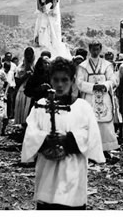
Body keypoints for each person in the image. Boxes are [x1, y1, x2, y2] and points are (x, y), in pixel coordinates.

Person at [21, 57, 105, 209]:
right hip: (47, 172)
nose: (60, 85)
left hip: (73, 174)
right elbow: (30, 135)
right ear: (50, 79)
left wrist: (67, 139)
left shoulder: (83, 108)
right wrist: (46, 140)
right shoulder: (40, 107)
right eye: (56, 79)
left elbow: (91, 138)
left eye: (64, 80)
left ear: (73, 80)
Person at [76, 41, 119, 158]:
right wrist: (93, 87)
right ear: (89, 49)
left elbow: (113, 80)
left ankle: (105, 149)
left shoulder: (107, 65)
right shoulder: (83, 66)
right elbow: (79, 83)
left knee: (104, 124)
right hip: (89, 98)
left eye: (97, 49)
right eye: (93, 49)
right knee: (90, 123)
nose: (95, 51)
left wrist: (105, 85)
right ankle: (90, 150)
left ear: (100, 49)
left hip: (104, 98)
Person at [14, 47, 36, 128]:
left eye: (30, 55)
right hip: (23, 91)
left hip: (33, 91)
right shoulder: (20, 67)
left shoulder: (36, 66)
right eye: (27, 55)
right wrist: (25, 76)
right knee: (23, 111)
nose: (29, 57)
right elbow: (17, 82)